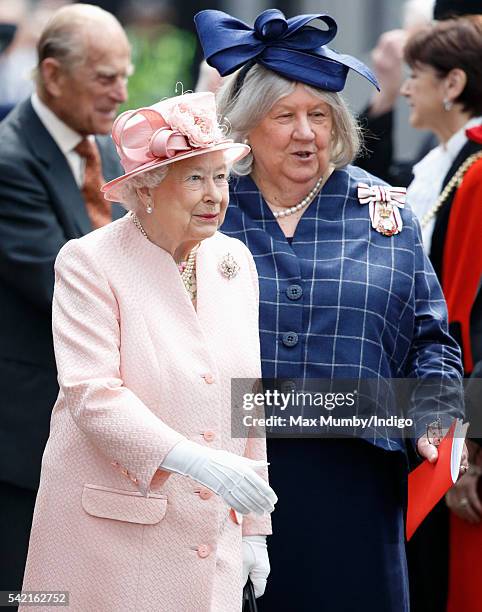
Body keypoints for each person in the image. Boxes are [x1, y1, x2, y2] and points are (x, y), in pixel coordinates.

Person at [195, 9, 467, 611]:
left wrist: (435, 411)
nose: (305, 133)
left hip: (355, 485)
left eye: (318, 115)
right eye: (283, 116)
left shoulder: (380, 212)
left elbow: (433, 338)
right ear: (243, 126)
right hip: (224, 481)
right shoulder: (209, 209)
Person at [20, 90, 276, 612]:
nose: (215, 195)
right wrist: (197, 462)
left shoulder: (234, 260)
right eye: (195, 178)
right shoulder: (89, 262)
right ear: (147, 187)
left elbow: (245, 392)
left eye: (221, 177)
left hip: (211, 536)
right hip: (110, 532)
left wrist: (254, 528)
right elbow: (93, 394)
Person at [0, 3, 131, 596]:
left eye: (124, 75)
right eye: (106, 77)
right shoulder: (8, 161)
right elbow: (65, 290)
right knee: (28, 592)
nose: (120, 93)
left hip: (98, 427)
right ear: (53, 75)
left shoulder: (103, 154)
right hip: (28, 438)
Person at [401, 15, 482, 612]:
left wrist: (471, 445)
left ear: (452, 84)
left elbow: (467, 319)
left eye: (416, 75)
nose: (405, 88)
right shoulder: (449, 167)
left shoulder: (476, 172)